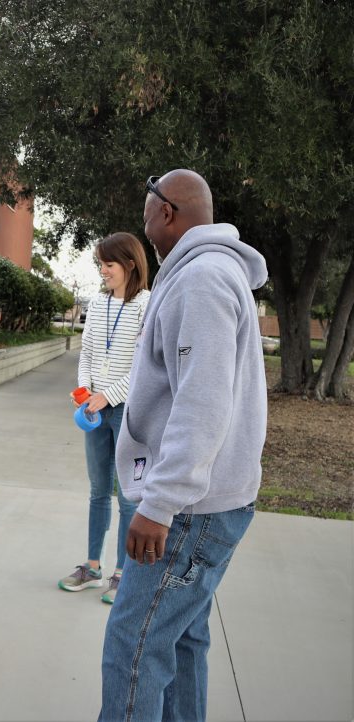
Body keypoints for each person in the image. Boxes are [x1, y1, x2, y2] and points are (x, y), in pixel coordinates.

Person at [99, 169, 268, 721]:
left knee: (135, 645)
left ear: (165, 211)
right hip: (206, 503)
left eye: (147, 202)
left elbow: (203, 401)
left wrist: (162, 502)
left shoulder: (202, 281)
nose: (143, 215)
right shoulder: (205, 274)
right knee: (182, 636)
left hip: (190, 511)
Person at [58, 232, 149, 604]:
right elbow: (87, 354)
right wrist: (84, 392)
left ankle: (122, 574)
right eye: (100, 264)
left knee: (128, 495)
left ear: (129, 264)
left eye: (108, 264)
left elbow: (145, 366)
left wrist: (106, 396)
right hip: (93, 409)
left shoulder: (146, 304)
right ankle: (92, 568)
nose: (102, 271)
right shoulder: (97, 303)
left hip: (126, 409)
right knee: (98, 491)